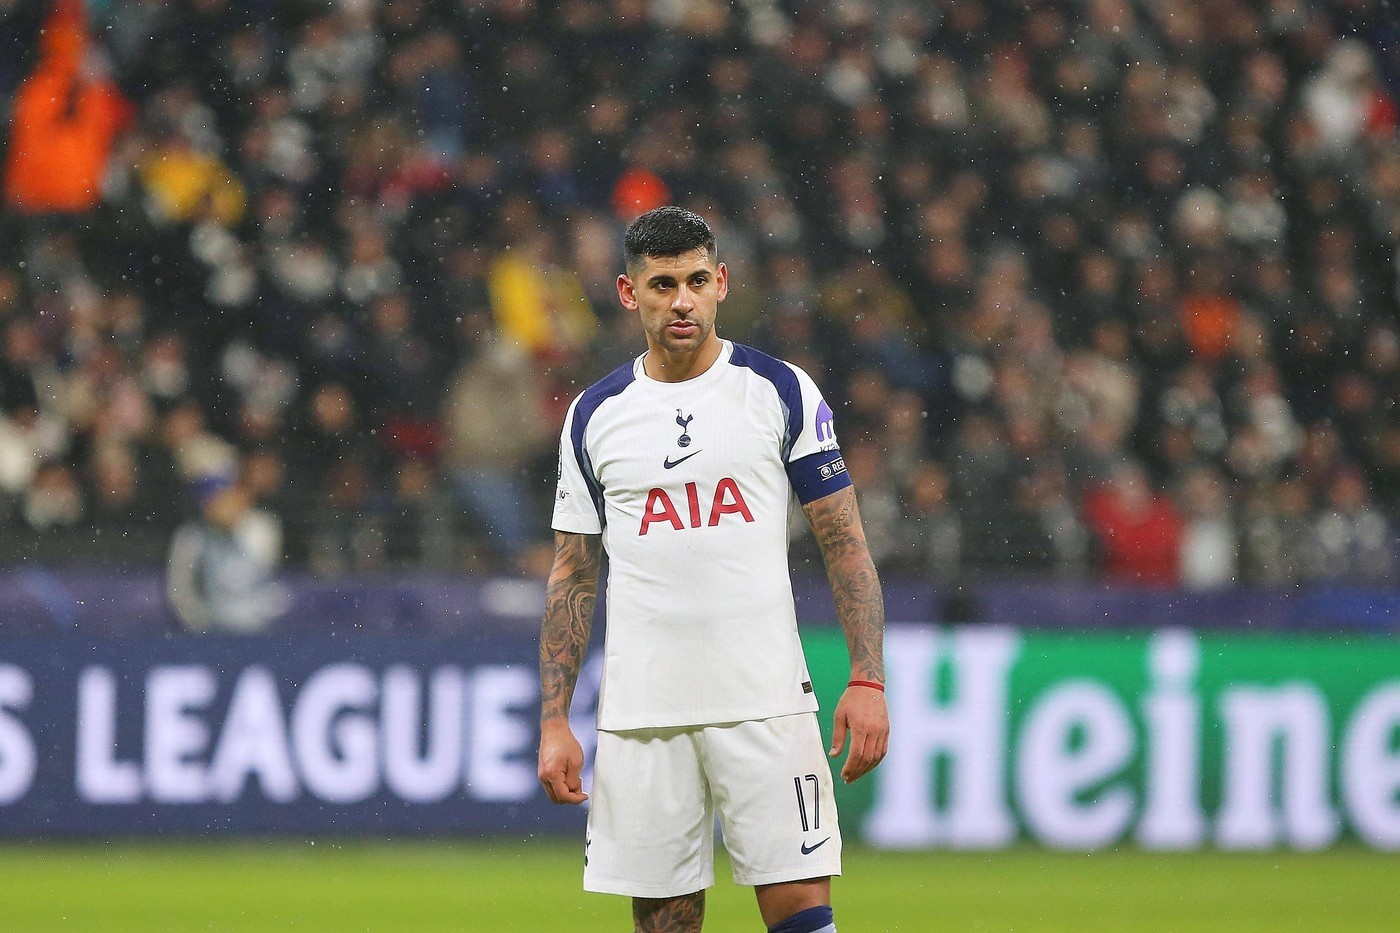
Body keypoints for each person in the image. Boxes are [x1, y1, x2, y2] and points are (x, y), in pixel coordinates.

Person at [538, 207, 889, 933]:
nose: (682, 300)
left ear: (722, 282)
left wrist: (867, 677)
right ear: (629, 294)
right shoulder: (595, 414)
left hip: (764, 699)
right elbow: (573, 574)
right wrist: (555, 720)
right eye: (662, 284)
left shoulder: (779, 390)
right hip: (643, 713)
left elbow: (845, 542)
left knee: (802, 915)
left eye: (697, 280)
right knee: (665, 924)